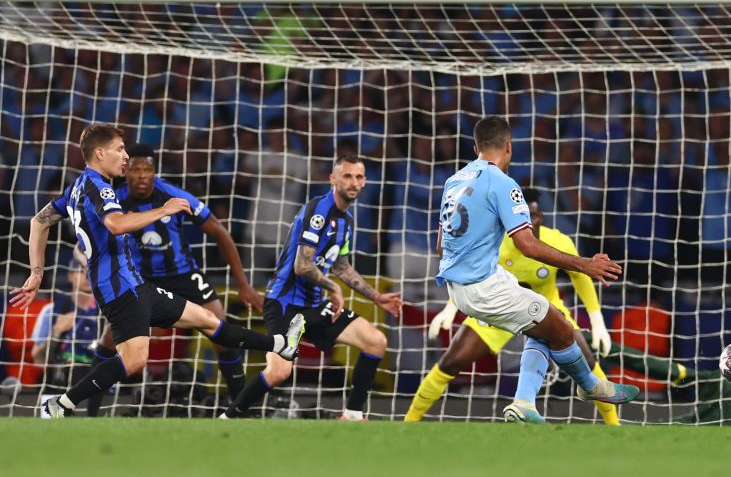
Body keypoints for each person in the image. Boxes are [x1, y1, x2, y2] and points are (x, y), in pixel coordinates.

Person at [9, 123, 305, 418]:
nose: (125, 157)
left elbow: (39, 221)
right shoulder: (99, 187)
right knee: (135, 359)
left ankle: (281, 344)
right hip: (119, 287)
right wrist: (165, 209)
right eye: (119, 149)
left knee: (207, 319)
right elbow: (116, 224)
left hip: (138, 284)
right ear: (100, 153)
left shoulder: (77, 186)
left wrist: (37, 273)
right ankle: (60, 405)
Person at [434, 116, 637, 424]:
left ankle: (525, 402)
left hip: (460, 285)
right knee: (562, 327)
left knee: (544, 322)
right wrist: (584, 264)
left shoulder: (454, 182)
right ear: (508, 147)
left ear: (475, 148)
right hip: (483, 287)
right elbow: (528, 245)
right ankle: (591, 386)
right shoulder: (504, 184)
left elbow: (440, 246)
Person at [404, 188, 619, 424]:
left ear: (542, 217)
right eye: (525, 216)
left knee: (585, 362)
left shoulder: (558, 241)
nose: (530, 221)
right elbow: (469, 275)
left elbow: (580, 276)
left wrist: (597, 320)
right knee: (452, 361)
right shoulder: (495, 243)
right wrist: (450, 308)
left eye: (535, 216)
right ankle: (409, 421)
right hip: (497, 307)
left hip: (549, 309)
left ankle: (614, 424)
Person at [221, 154, 402, 421]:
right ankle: (229, 417)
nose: (354, 182)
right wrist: (334, 288)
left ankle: (352, 413)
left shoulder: (347, 221)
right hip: (286, 303)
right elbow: (302, 266)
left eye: (359, 177)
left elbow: (341, 265)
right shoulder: (318, 211)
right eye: (347, 176)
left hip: (316, 305)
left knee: (375, 341)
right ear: (333, 179)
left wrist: (376, 297)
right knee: (279, 371)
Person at [89, 143, 264, 402]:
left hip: (182, 275)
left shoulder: (173, 196)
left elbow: (219, 232)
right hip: (140, 278)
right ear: (125, 171)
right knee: (109, 339)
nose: (141, 175)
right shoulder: (115, 201)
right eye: (135, 169)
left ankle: (239, 409)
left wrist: (244, 284)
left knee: (221, 331)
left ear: (154, 171)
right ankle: (89, 411)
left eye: (147, 169)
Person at [31, 257, 103, 416]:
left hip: (100, 389)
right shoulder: (52, 310)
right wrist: (56, 332)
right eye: (80, 271)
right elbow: (38, 360)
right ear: (70, 275)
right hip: (59, 387)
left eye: (90, 271)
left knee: (99, 435)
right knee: (51, 438)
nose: (86, 276)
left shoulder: (110, 312)